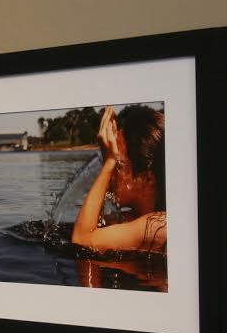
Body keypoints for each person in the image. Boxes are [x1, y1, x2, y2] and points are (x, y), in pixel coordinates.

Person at [71, 105, 167, 254]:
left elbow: (81, 241)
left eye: (119, 162)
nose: (109, 175)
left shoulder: (160, 226)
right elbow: (93, 225)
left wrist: (110, 161)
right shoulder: (134, 219)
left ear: (146, 178)